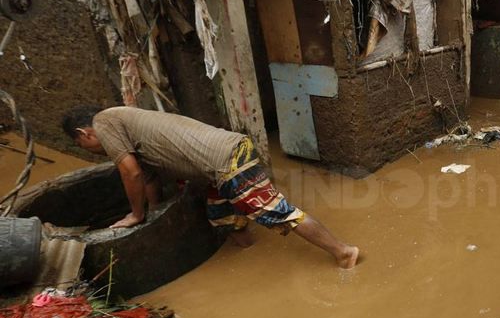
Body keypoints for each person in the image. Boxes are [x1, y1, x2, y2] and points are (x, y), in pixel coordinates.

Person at [62, 106, 360, 269]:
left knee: (277, 212)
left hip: (226, 160)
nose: (92, 151)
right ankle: (251, 254)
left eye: (83, 146)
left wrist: (136, 216)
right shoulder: (121, 123)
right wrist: (153, 212)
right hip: (217, 168)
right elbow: (149, 178)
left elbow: (132, 173)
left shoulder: (104, 123)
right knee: (221, 215)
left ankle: (344, 252)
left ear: (83, 133)